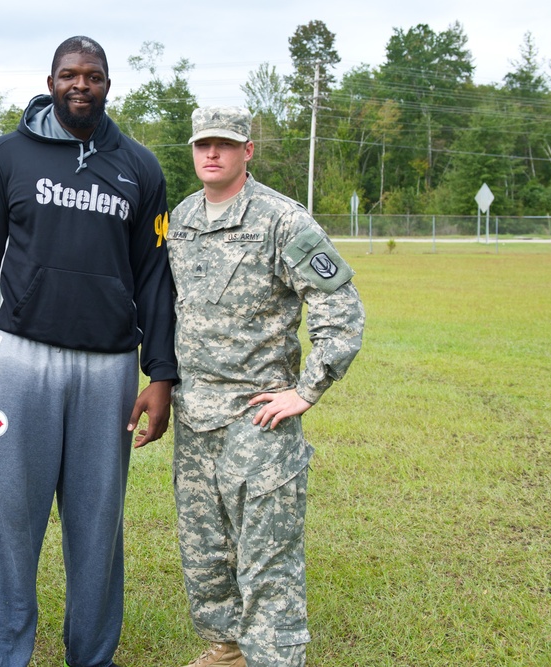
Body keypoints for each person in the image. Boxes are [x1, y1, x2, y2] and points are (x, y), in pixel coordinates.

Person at [0, 35, 178, 667]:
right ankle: (3, 656)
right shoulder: (6, 158)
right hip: (18, 361)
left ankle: (92, 656)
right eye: (69, 75)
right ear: (50, 80)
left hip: (107, 369)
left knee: (98, 529)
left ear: (109, 84)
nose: (81, 85)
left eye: (94, 76)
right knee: (8, 527)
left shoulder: (140, 167)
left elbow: (154, 277)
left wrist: (159, 375)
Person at [166, 107, 365, 667]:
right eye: (203, 143)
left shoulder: (283, 219)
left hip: (259, 417)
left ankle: (275, 659)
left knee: (266, 556)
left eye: (225, 145)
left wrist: (305, 391)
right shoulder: (181, 219)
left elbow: (340, 308)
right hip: (195, 416)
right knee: (205, 552)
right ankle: (227, 648)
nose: (212, 154)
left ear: (247, 151)